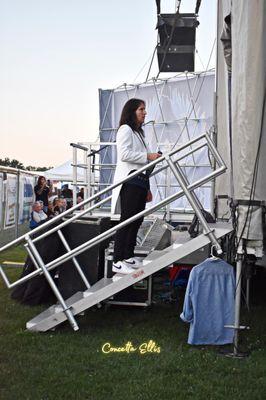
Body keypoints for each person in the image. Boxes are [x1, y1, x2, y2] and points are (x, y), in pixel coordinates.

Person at [111, 98, 161, 275]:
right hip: (130, 180)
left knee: (136, 220)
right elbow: (124, 154)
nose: (144, 112)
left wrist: (147, 187)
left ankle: (127, 255)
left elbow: (143, 162)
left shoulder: (139, 132)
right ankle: (117, 260)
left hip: (140, 181)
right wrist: (149, 156)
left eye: (144, 109)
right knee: (127, 219)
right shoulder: (125, 129)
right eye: (141, 109)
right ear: (132, 111)